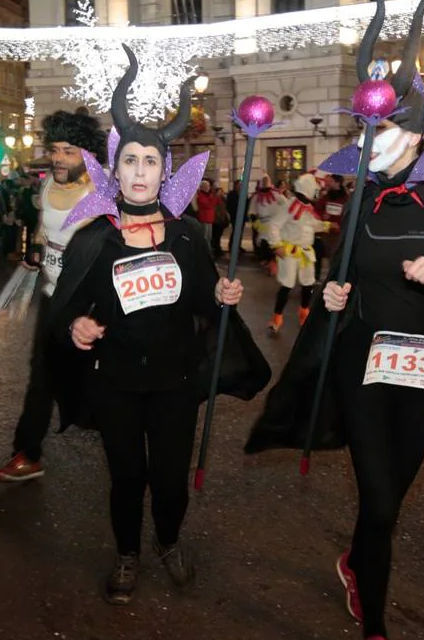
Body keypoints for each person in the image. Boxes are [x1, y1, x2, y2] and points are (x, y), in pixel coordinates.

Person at [246, 0, 424, 640]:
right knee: (384, 503)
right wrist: (335, 297)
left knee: (386, 502)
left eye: (386, 129)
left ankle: (358, 564)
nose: (370, 142)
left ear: (419, 132)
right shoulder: (359, 200)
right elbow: (342, 279)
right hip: (364, 364)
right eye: (366, 130)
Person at [47, 46, 268, 604]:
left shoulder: (187, 234)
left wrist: (222, 294)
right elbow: (70, 303)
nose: (140, 172)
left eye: (150, 162)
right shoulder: (94, 236)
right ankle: (127, 554)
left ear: (164, 171)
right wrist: (77, 324)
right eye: (130, 161)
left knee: (169, 479)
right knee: (126, 478)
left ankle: (168, 542)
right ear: (114, 168)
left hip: (175, 381)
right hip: (116, 380)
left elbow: (201, 298)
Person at [0, 109, 105, 484]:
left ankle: (129, 454)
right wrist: (37, 250)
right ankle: (27, 452)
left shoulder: (103, 194)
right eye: (55, 149)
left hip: (93, 305)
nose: (58, 157)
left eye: (68, 151)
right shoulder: (46, 187)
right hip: (53, 297)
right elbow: (43, 231)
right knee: (41, 376)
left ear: (88, 154)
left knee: (104, 381)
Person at [267, 172, 326, 335]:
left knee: (308, 284)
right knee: (287, 285)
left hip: (306, 252)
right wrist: (276, 245)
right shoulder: (290, 205)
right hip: (290, 252)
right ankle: (277, 317)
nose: (317, 193)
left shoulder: (308, 208)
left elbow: (312, 225)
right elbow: (274, 225)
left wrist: (326, 225)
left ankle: (304, 312)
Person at [313, 173, 348, 279]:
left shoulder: (346, 198)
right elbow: (316, 211)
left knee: (335, 258)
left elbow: (349, 214)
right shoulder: (325, 197)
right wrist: (323, 216)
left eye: (330, 181)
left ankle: (334, 278)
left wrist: (340, 224)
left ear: (338, 183)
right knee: (318, 255)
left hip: (338, 234)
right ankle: (316, 278)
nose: (327, 183)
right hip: (324, 233)